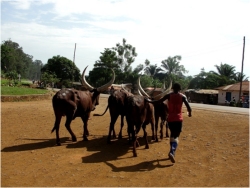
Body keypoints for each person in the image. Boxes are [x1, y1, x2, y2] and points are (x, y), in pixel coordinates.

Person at [162, 83, 192, 163]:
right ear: (180, 89)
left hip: (170, 119)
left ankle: (171, 151)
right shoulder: (182, 96)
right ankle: (172, 151)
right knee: (176, 136)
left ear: (172, 88)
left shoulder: (168, 96)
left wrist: (148, 100)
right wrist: (189, 113)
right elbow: (189, 108)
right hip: (178, 119)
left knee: (172, 135)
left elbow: (159, 101)